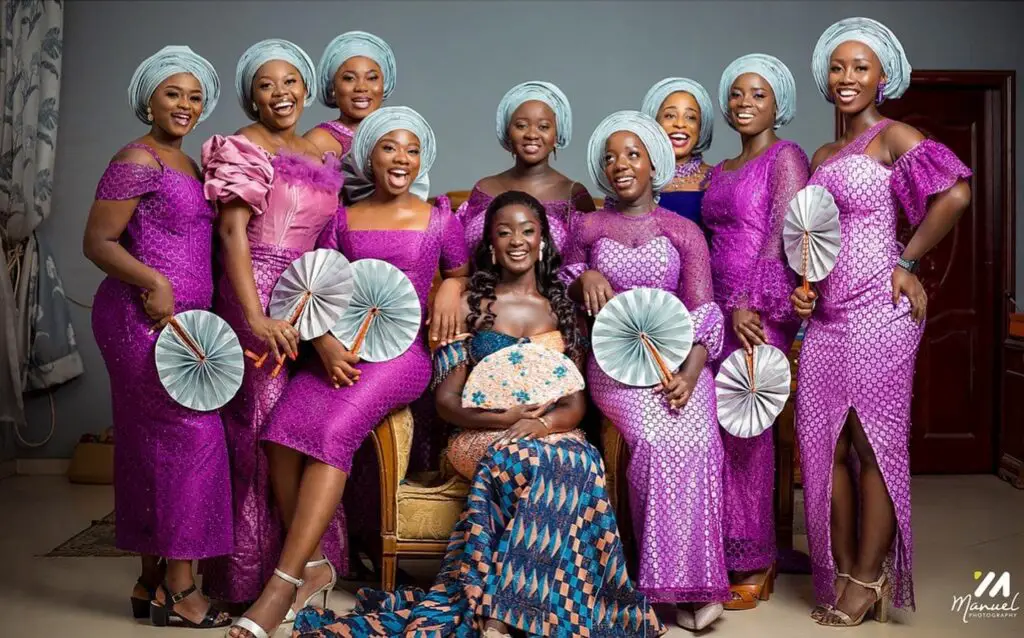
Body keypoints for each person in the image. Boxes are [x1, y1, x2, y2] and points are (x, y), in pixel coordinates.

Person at [292, 190, 663, 638]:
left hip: (552, 429)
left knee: (574, 460)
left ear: (543, 239)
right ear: (489, 244)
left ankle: (503, 613)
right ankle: (520, 609)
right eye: (504, 232)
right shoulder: (469, 305)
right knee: (532, 460)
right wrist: (510, 420)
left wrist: (540, 424)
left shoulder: (562, 307)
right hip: (479, 433)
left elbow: (574, 402)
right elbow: (448, 403)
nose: (517, 240)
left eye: (528, 230)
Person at [227, 106, 470, 638]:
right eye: (389, 148)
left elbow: (458, 268)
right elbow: (315, 285)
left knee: (330, 436)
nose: (400, 158)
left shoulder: (440, 219)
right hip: (338, 349)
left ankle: (280, 584)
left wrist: (450, 288)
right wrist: (325, 343)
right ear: (369, 156)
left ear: (422, 157)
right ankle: (314, 563)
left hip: (402, 357)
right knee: (279, 436)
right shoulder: (342, 218)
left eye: (411, 149)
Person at [792, 17, 971, 627]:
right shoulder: (820, 155)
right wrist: (806, 294)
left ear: (883, 78)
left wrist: (908, 260)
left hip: (880, 312)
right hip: (829, 318)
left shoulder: (895, 137)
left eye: (860, 68)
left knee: (871, 444)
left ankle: (868, 579)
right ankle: (841, 570)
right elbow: (814, 239)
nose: (847, 78)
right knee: (825, 449)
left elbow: (955, 194)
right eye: (838, 67)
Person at [83, 45, 231, 629]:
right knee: (193, 440)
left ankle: (149, 584)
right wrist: (152, 280)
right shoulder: (137, 158)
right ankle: (181, 590)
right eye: (174, 93)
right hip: (138, 318)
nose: (186, 106)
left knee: (152, 447)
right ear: (149, 98)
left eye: (195, 97)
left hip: (181, 325)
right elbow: (97, 243)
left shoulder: (189, 163)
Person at [563, 110, 728, 631]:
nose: (621, 165)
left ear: (654, 163)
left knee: (700, 438)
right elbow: (560, 274)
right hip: (614, 366)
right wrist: (583, 274)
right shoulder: (586, 227)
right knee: (657, 443)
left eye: (632, 154)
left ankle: (698, 585)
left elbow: (703, 311)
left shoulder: (684, 231)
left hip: (680, 364)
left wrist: (690, 373)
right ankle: (656, 585)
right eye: (611, 157)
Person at [199, 38, 348, 607]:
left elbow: (327, 243)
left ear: (308, 91)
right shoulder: (243, 146)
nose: (280, 93)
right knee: (259, 427)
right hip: (255, 292)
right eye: (267, 85)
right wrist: (254, 316)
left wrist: (329, 312)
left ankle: (308, 562)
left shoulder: (318, 154)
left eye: (290, 83)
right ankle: (255, 574)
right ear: (251, 97)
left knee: (299, 428)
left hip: (307, 296)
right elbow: (233, 233)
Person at [700, 53, 808, 609]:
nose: (745, 103)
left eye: (758, 94)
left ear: (778, 104)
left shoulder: (786, 157)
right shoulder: (720, 170)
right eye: (737, 93)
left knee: (746, 427)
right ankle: (719, 546)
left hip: (760, 308)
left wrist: (749, 304)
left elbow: (781, 234)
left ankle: (755, 557)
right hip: (718, 307)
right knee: (716, 427)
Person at [456, 81, 596, 257]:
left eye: (543, 126)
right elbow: (461, 259)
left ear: (557, 135)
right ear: (508, 133)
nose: (531, 134)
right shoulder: (484, 189)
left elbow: (590, 262)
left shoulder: (573, 195)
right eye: (521, 125)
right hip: (485, 285)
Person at [305, 30, 429, 203]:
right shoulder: (319, 141)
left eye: (372, 78)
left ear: (383, 84)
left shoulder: (401, 134)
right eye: (349, 78)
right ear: (333, 87)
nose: (361, 87)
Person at [640, 77, 715, 228]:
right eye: (670, 116)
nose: (680, 124)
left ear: (701, 128)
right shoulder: (634, 174)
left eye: (690, 117)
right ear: (653, 123)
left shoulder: (717, 179)